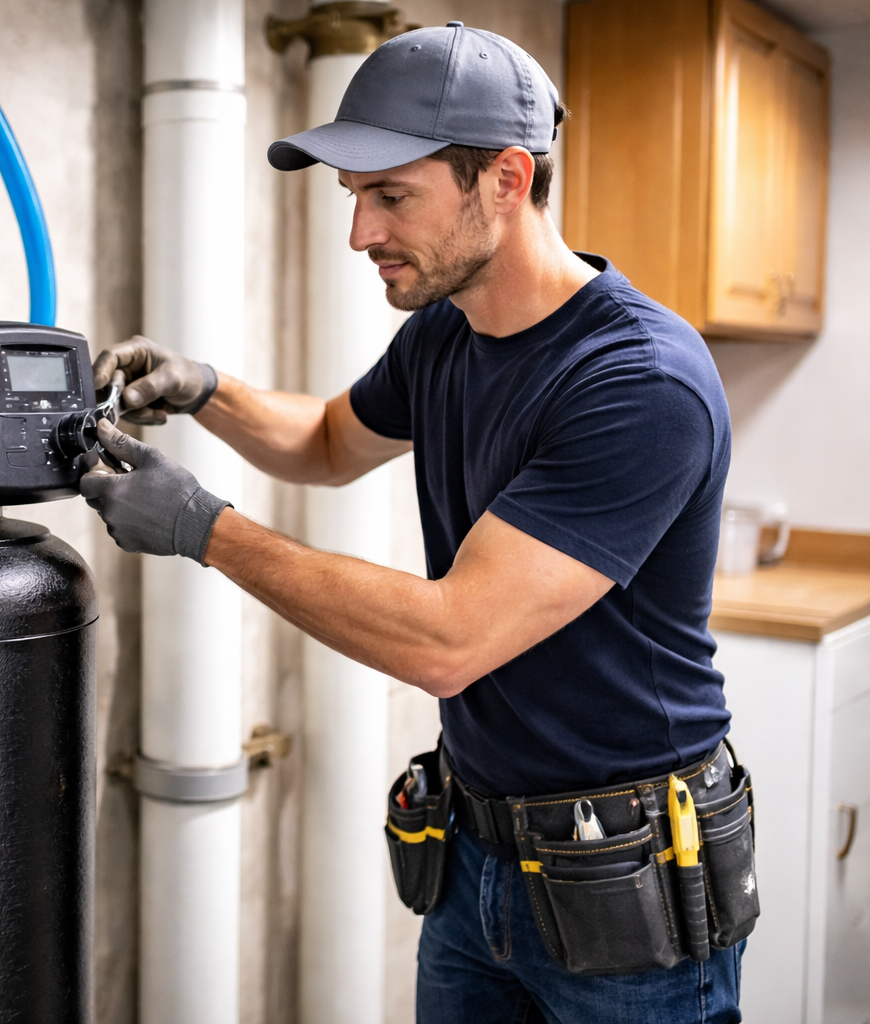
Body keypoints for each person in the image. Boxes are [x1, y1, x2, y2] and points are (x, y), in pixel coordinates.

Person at [80, 22, 747, 1024]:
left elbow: (450, 640)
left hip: (626, 874)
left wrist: (201, 527)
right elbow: (330, 443)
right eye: (358, 198)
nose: (360, 235)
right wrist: (206, 389)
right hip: (475, 853)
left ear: (507, 182)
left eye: (392, 195)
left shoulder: (638, 380)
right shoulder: (449, 330)